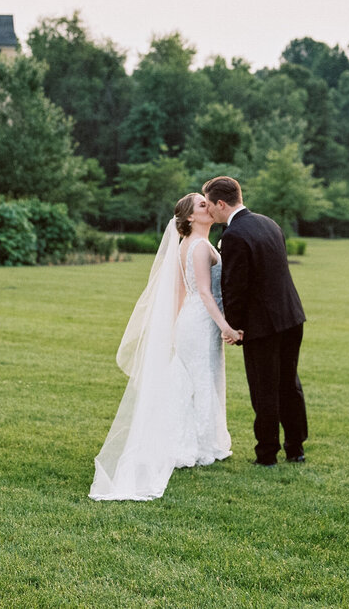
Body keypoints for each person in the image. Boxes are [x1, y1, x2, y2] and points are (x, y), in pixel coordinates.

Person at [89, 192, 241, 501]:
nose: (208, 207)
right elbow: (202, 292)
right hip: (200, 323)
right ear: (189, 218)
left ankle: (202, 441)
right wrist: (225, 325)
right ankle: (198, 446)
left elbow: (180, 292)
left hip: (194, 322)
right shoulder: (198, 247)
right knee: (200, 380)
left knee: (197, 381)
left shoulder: (194, 244)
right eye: (202, 205)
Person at [203, 175, 308, 466]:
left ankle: (266, 454)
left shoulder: (233, 235)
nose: (209, 211)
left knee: (264, 387)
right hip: (291, 316)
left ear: (221, 203)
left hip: (263, 325)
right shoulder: (268, 222)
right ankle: (296, 448)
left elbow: (235, 286)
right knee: (289, 383)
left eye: (210, 205)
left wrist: (234, 327)